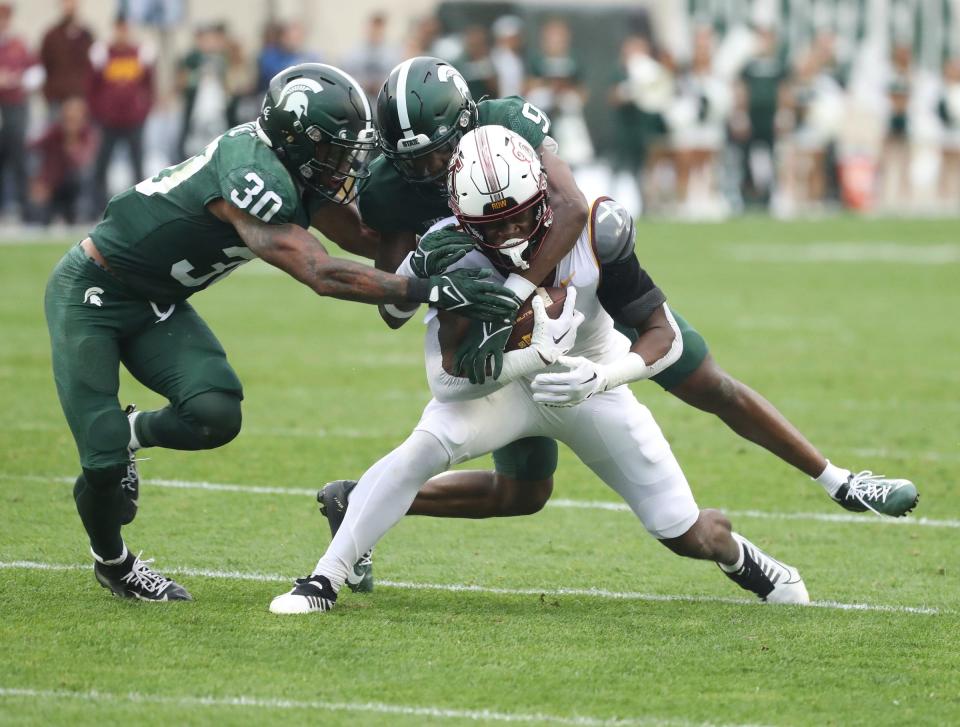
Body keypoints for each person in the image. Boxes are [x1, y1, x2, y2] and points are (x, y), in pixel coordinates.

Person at [318, 59, 918, 595]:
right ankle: (362, 506)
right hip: (500, 340)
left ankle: (839, 479)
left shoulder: (509, 132)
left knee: (709, 382)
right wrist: (434, 273)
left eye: (437, 153)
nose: (429, 169)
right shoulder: (395, 187)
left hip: (580, 305)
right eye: (412, 159)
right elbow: (396, 304)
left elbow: (574, 208)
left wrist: (521, 290)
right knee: (522, 494)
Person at [270, 125, 811, 615]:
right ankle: (324, 579)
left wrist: (602, 377)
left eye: (521, 217)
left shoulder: (594, 228)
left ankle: (739, 555)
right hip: (501, 387)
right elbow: (447, 379)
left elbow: (662, 335)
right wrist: (531, 353)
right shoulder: (449, 252)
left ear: (545, 200)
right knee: (424, 448)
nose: (508, 235)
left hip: (590, 386)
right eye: (491, 225)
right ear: (461, 218)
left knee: (683, 531)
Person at [43, 63, 519, 603]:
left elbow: (366, 240)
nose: (347, 163)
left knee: (215, 412)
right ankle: (114, 562)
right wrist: (430, 290)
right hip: (94, 292)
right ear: (298, 140)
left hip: (159, 302)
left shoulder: (295, 169)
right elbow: (321, 271)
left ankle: (132, 434)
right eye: (337, 150)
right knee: (100, 459)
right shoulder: (251, 173)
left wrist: (452, 226)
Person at [88, 15, 154, 210]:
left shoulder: (140, 54)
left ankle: (141, 206)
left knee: (137, 163)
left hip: (134, 120)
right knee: (101, 163)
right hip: (109, 121)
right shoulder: (102, 54)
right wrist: (98, 113)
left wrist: (143, 111)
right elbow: (91, 87)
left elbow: (150, 87)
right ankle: (96, 207)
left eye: (125, 28)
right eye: (119, 28)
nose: (122, 33)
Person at [27, 95, 97, 225]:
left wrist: (72, 142)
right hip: (51, 184)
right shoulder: (54, 131)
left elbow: (82, 161)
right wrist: (38, 181)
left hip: (75, 188)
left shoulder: (87, 135)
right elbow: (32, 146)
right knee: (40, 218)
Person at [39, 0, 93, 117]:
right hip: (57, 98)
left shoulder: (87, 36)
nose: (69, 5)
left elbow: (91, 68)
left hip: (80, 97)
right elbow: (43, 64)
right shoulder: (51, 36)